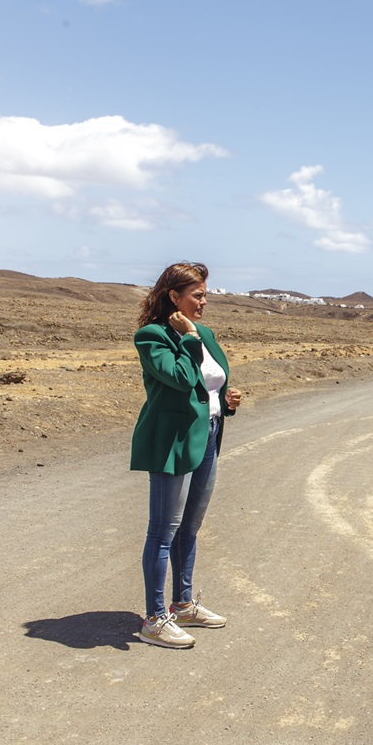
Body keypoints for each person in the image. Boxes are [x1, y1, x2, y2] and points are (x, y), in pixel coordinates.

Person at [131, 262, 242, 649]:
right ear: (173, 297)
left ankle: (182, 604)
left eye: (205, 294)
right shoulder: (152, 336)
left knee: (189, 528)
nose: (204, 302)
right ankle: (154, 619)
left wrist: (224, 401)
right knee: (163, 531)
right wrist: (190, 338)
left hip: (208, 435)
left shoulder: (206, 333)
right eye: (197, 295)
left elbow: (207, 385)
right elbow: (178, 377)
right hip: (173, 441)